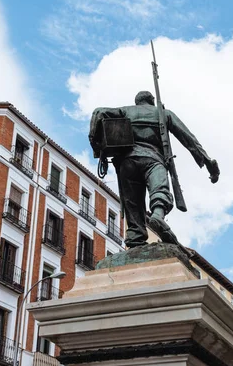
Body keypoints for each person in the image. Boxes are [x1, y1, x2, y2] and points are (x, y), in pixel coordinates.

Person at [89, 91, 219, 248]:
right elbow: (188, 139)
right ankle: (157, 215)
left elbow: (98, 112)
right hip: (153, 159)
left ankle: (135, 237)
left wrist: (96, 145)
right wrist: (209, 163)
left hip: (127, 162)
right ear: (151, 101)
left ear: (137, 102)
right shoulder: (163, 113)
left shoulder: (125, 111)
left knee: (133, 203)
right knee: (159, 189)